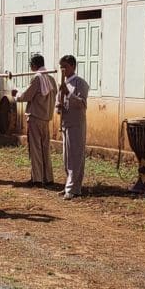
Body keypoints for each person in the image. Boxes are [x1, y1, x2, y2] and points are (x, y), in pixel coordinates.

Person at [12, 55, 56, 186]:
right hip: (46, 118)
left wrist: (16, 95)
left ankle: (37, 178)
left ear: (33, 65)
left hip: (35, 117)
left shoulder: (37, 78)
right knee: (45, 148)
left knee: (35, 148)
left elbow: (26, 95)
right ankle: (48, 177)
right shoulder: (51, 78)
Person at [57, 54, 89, 200]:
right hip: (66, 123)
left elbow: (82, 104)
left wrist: (68, 93)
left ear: (73, 66)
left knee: (76, 156)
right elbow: (60, 101)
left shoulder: (79, 83)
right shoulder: (63, 83)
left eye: (65, 67)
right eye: (61, 67)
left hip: (76, 124)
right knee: (67, 157)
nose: (63, 70)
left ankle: (74, 188)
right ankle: (68, 185)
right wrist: (59, 105)